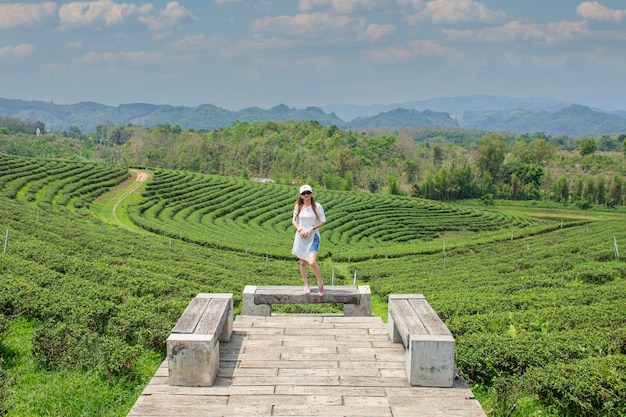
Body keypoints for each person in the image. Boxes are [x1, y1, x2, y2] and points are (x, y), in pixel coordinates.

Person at [292, 184, 326, 295]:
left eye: (308, 193)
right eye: (303, 193)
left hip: (313, 236)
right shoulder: (298, 206)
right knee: (302, 262)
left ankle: (320, 283)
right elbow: (294, 221)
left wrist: (312, 228)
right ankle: (306, 285)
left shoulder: (317, 206)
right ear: (301, 196)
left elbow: (323, 221)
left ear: (311, 194)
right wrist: (300, 229)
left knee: (311, 262)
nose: (306, 195)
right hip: (301, 237)